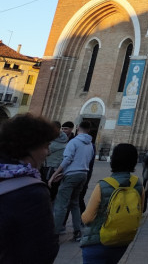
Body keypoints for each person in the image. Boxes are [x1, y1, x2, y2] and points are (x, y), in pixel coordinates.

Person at [0, 113, 60, 264]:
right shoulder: (32, 192)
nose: (48, 152)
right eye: (46, 146)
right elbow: (42, 250)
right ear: (31, 147)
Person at [80, 143, 144, 264]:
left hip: (98, 242)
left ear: (113, 159)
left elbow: (87, 218)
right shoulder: (138, 184)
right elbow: (140, 210)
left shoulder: (103, 185)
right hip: (122, 241)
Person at [50, 119, 95, 240]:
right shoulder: (90, 144)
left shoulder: (73, 142)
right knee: (75, 203)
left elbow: (67, 159)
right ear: (89, 130)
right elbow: (89, 160)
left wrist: (56, 174)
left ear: (78, 127)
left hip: (71, 175)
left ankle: (55, 233)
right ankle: (77, 231)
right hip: (83, 174)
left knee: (61, 204)